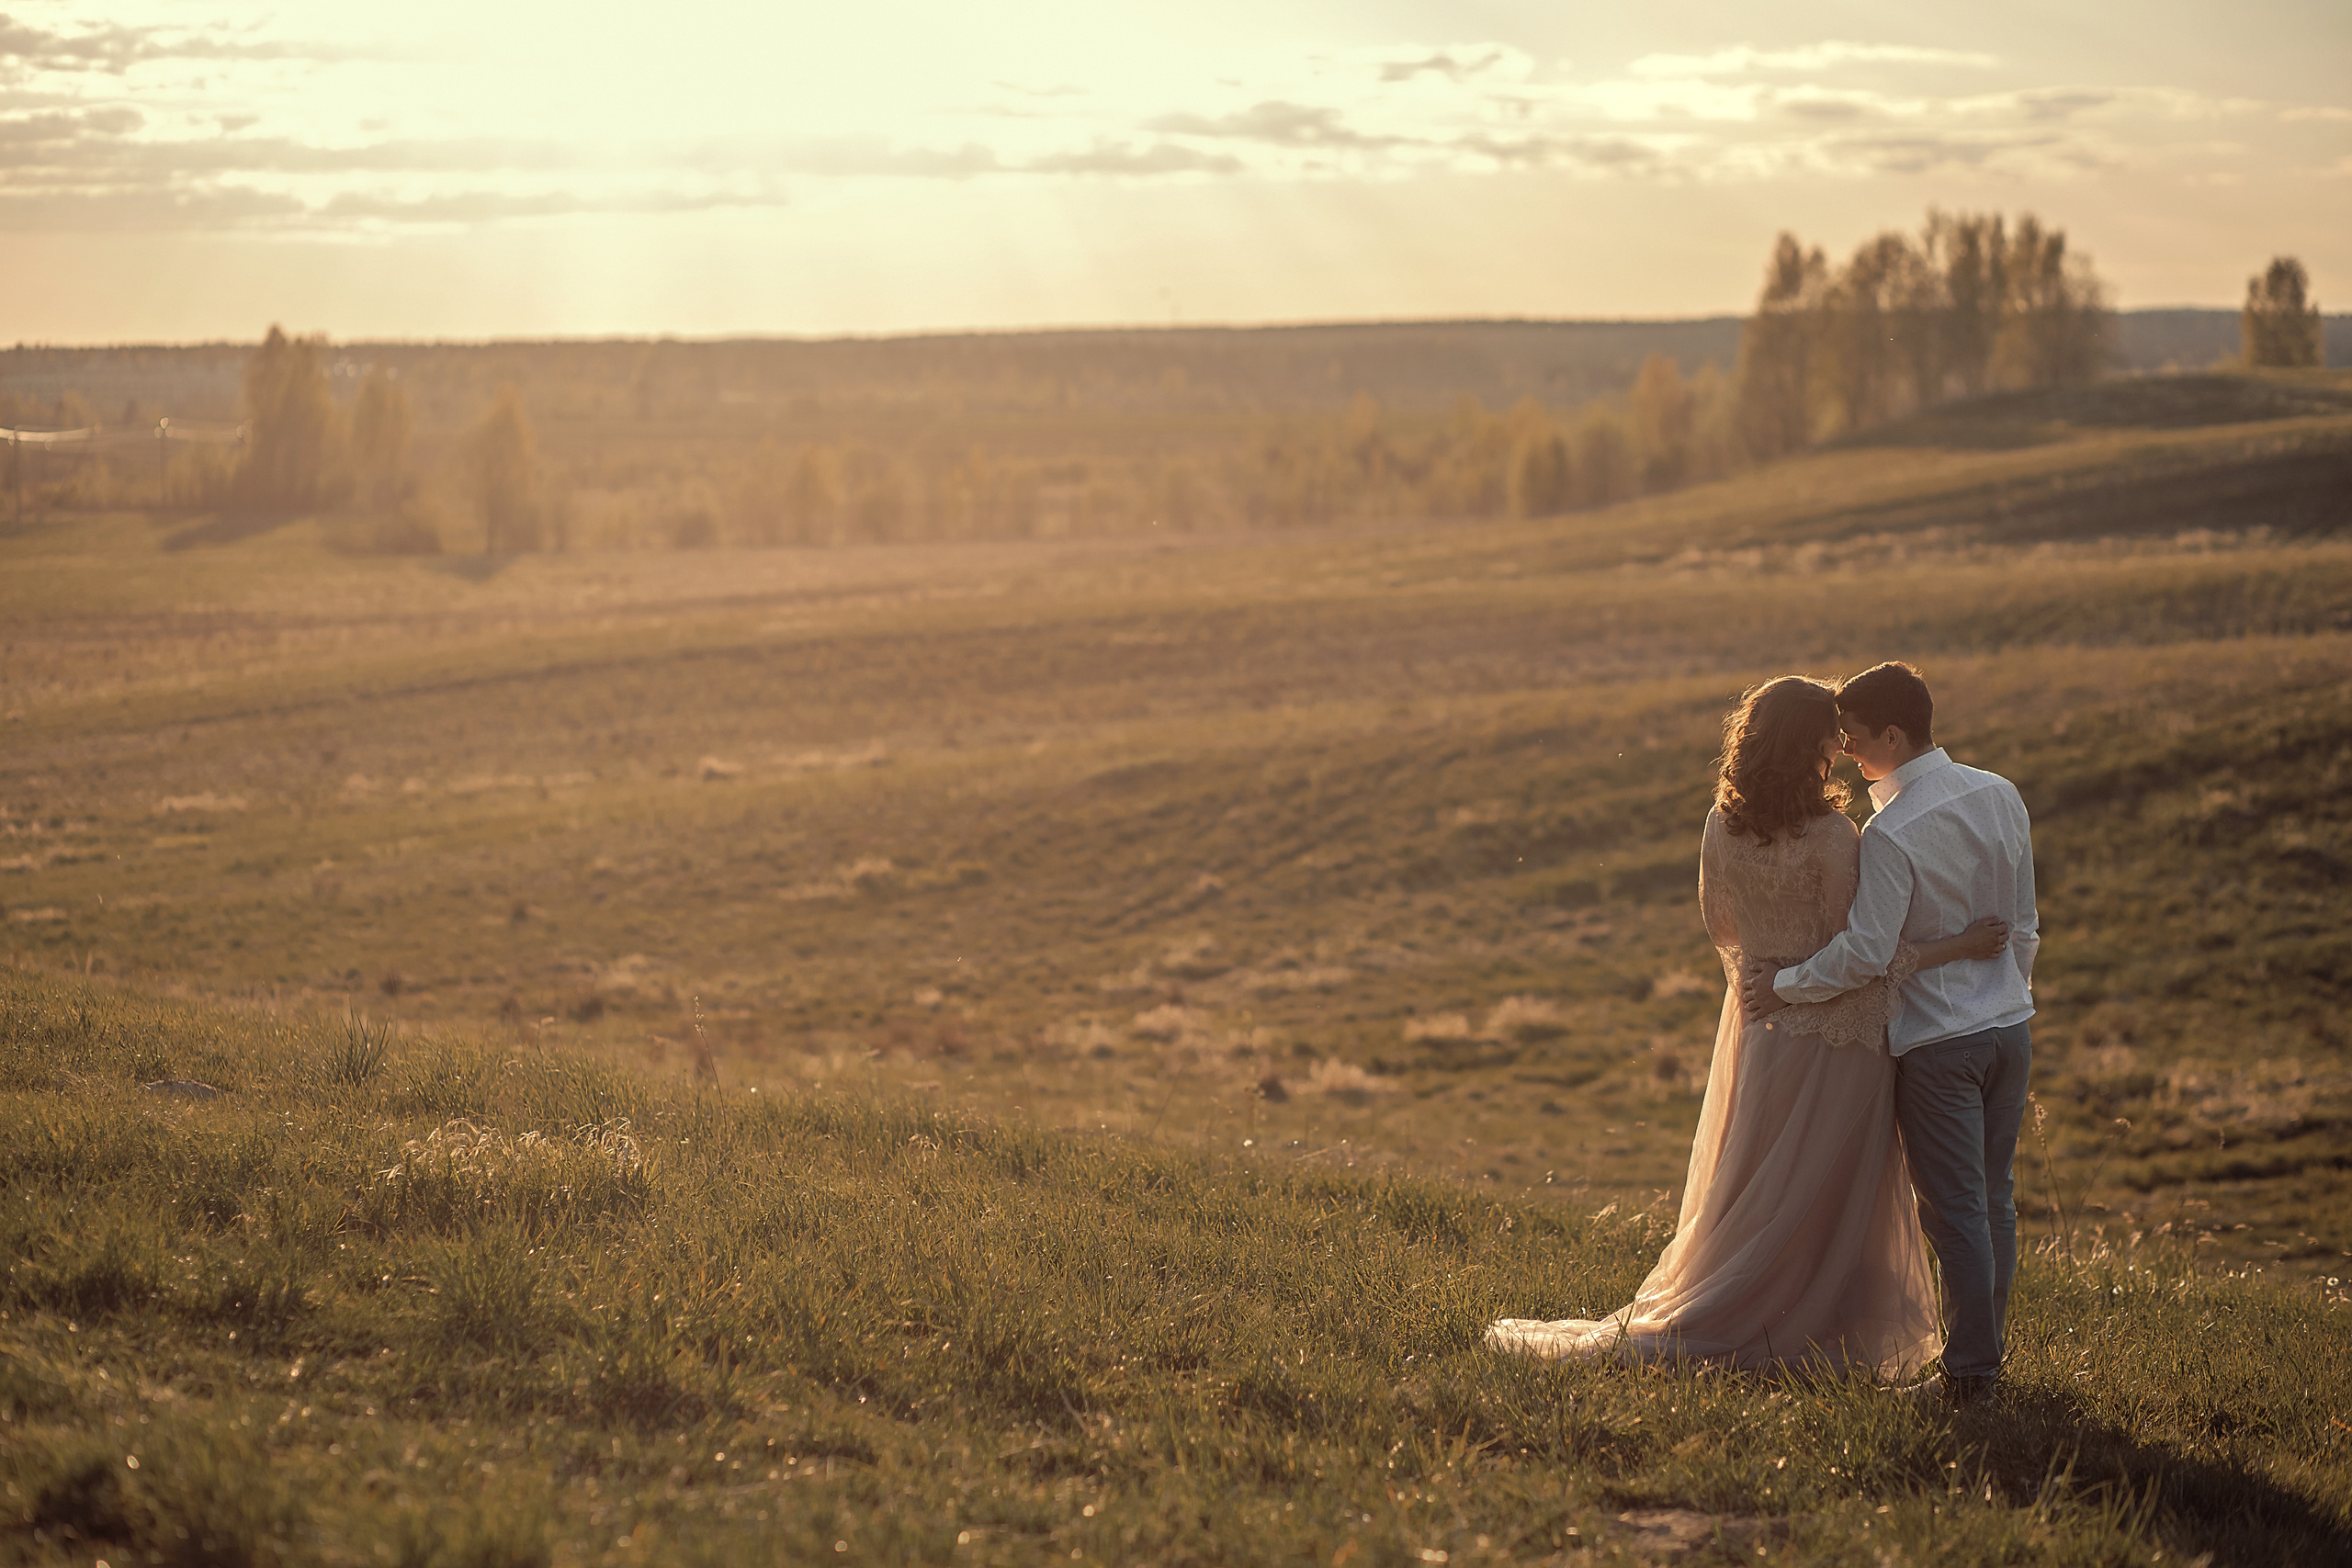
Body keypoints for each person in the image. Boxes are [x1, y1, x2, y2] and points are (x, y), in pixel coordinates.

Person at [1487, 676, 2007, 1375]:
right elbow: (1864, 957)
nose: (1840, 746)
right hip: (1838, 1037)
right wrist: (1961, 945)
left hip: (1759, 1026)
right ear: (1809, 744)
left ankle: (1763, 1304)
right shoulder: (1834, 835)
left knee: (1761, 1179)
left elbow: (1722, 927)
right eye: (1831, 735)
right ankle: (1820, 1322)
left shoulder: (1719, 823)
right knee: (1827, 1188)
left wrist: (1765, 967)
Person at [1741, 661, 2039, 1408]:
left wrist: (1783, 983)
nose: (1843, 750)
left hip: (1939, 1042)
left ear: (1895, 735)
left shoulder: (1892, 831)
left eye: (1854, 736)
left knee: (1956, 1213)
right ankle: (1986, 1358)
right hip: (2010, 1029)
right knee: (1994, 1201)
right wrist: (2007, 992)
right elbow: (2025, 923)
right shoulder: (2000, 792)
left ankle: (1970, 1377)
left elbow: (1865, 955)